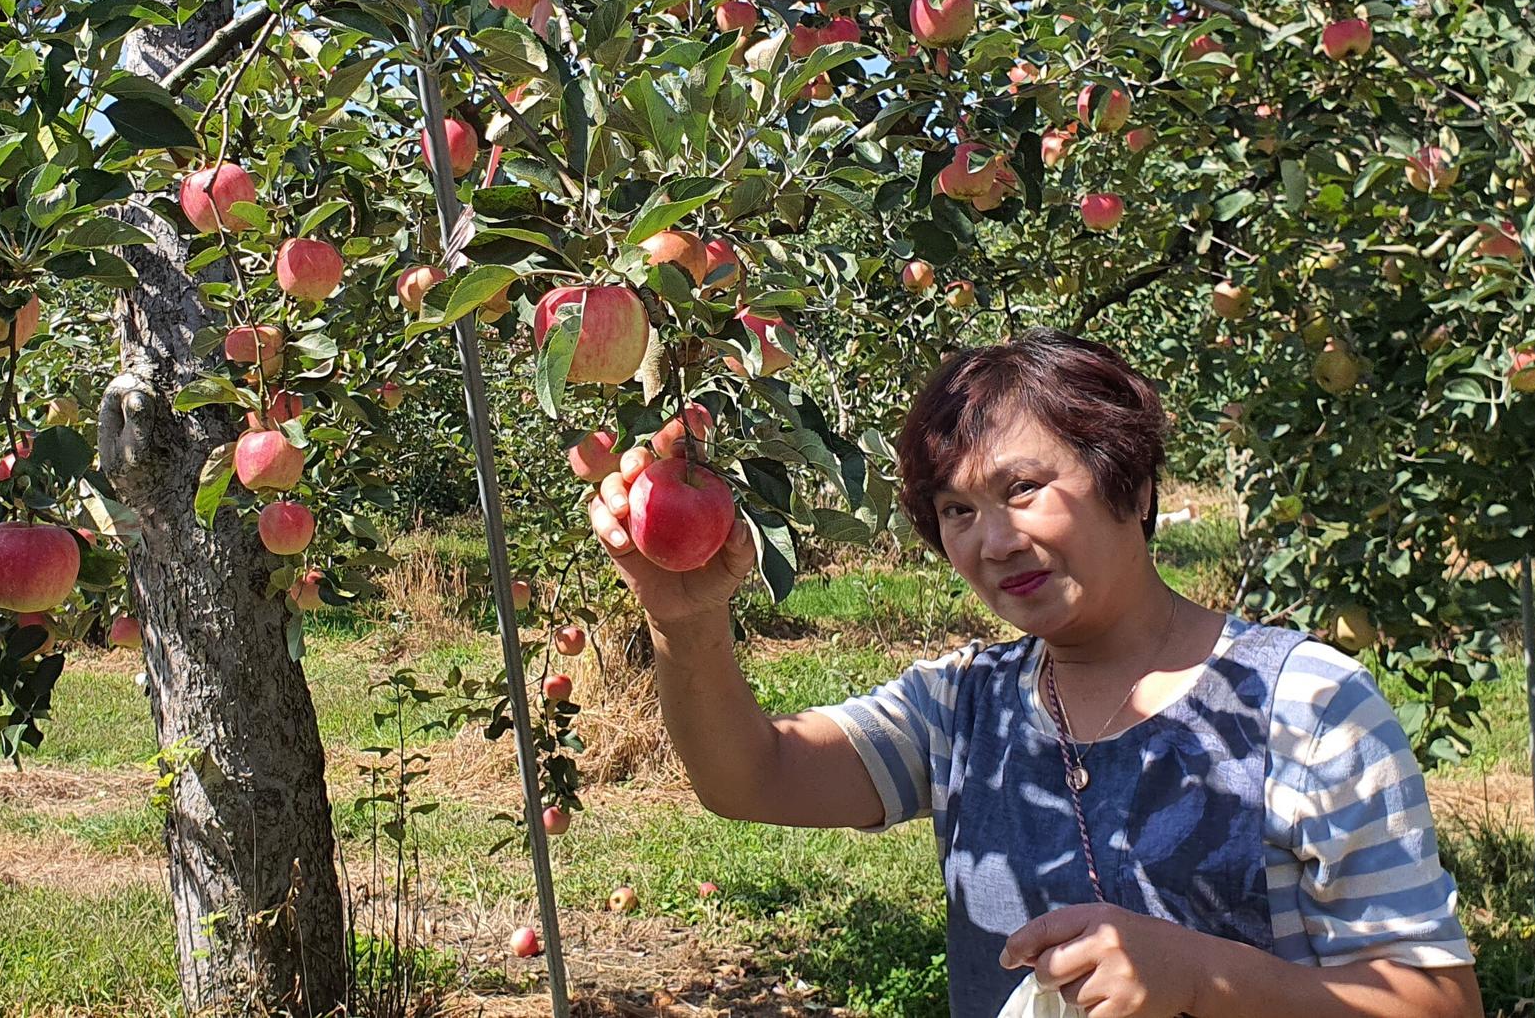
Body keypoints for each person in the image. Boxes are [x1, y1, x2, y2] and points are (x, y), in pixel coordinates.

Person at [587, 328, 1483, 1018]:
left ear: (1128, 483)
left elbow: (1440, 1003)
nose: (994, 539)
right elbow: (753, 775)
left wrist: (1199, 976)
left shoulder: (1307, 705)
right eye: (957, 509)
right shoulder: (962, 706)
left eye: (1022, 489)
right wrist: (690, 620)